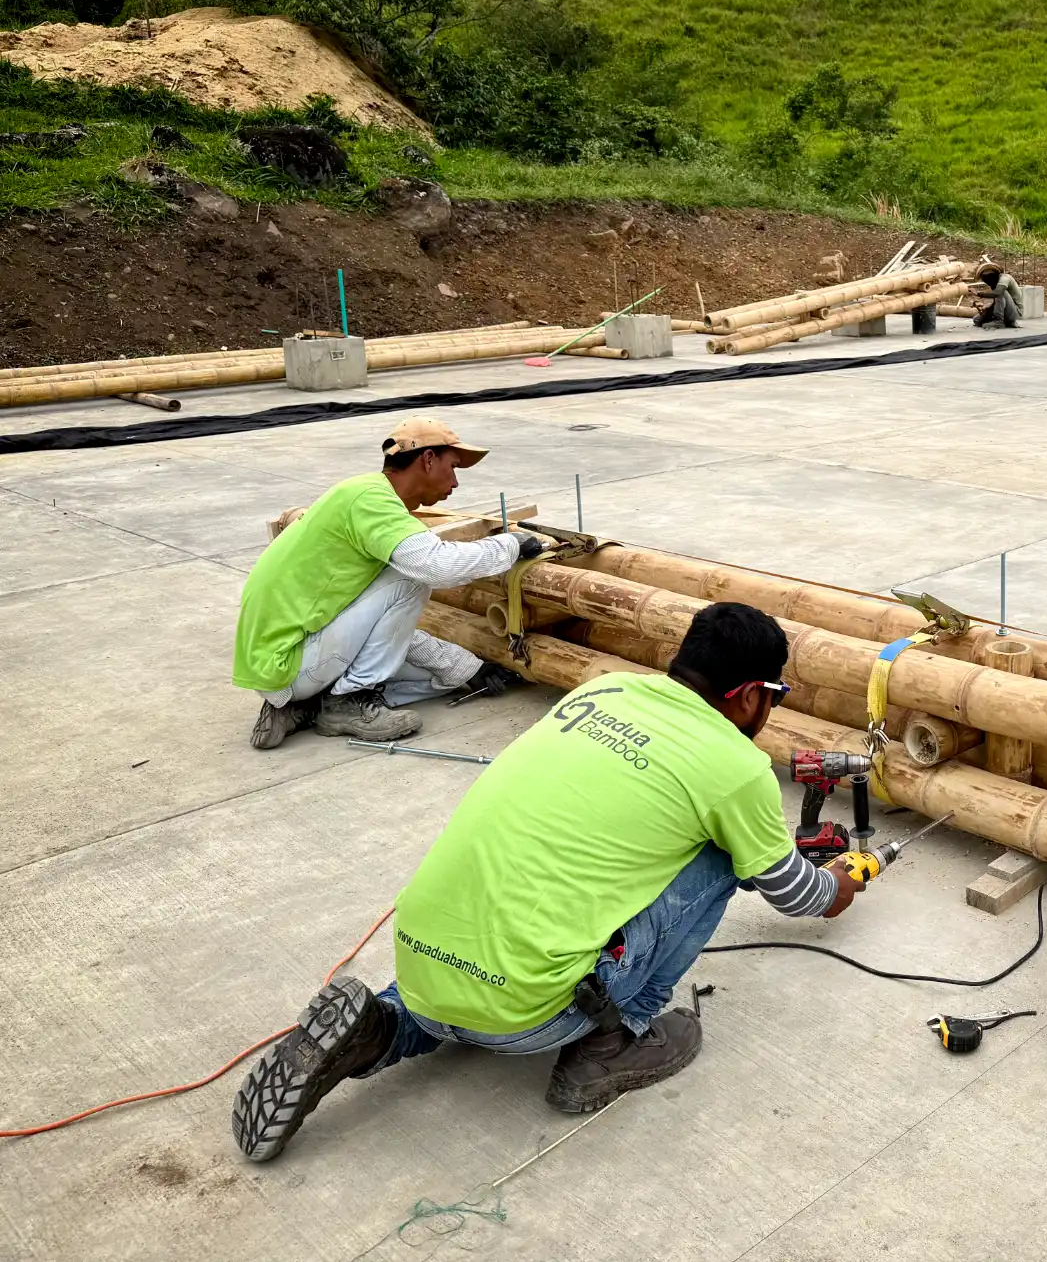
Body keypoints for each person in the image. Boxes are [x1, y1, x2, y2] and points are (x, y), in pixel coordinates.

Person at [232, 602, 866, 1162]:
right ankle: (616, 1040)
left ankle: (381, 1027)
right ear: (751, 694)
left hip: (420, 963)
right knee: (727, 855)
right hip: (529, 1019)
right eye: (777, 696)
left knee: (477, 959)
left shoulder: (605, 692)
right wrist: (839, 882)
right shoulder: (736, 766)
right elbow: (795, 895)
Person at [233, 418, 545, 750]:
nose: (455, 482)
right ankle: (347, 701)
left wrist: (467, 668)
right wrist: (510, 546)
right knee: (411, 577)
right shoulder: (372, 502)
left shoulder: (360, 492)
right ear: (428, 459)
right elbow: (436, 566)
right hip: (289, 662)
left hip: (283, 661)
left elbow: (383, 630)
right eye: (453, 467)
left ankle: (303, 705)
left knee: (439, 678)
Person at [973, 262, 1026, 329]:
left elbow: (998, 294)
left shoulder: (1004, 279)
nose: (987, 279)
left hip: (1014, 312)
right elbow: (1000, 302)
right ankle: (1002, 322)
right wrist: (988, 309)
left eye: (989, 275)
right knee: (977, 320)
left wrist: (979, 294)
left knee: (1001, 292)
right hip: (1005, 310)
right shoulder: (995, 284)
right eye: (984, 277)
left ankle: (999, 321)